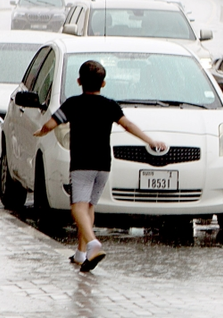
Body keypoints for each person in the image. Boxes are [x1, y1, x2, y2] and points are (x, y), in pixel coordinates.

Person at [34, 60, 166, 273]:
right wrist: (150, 141)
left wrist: (41, 131)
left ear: (79, 81)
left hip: (82, 165)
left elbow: (51, 124)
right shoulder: (110, 105)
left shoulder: (72, 104)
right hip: (103, 165)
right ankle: (81, 253)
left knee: (77, 206)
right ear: (103, 84)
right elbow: (128, 125)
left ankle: (93, 244)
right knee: (88, 207)